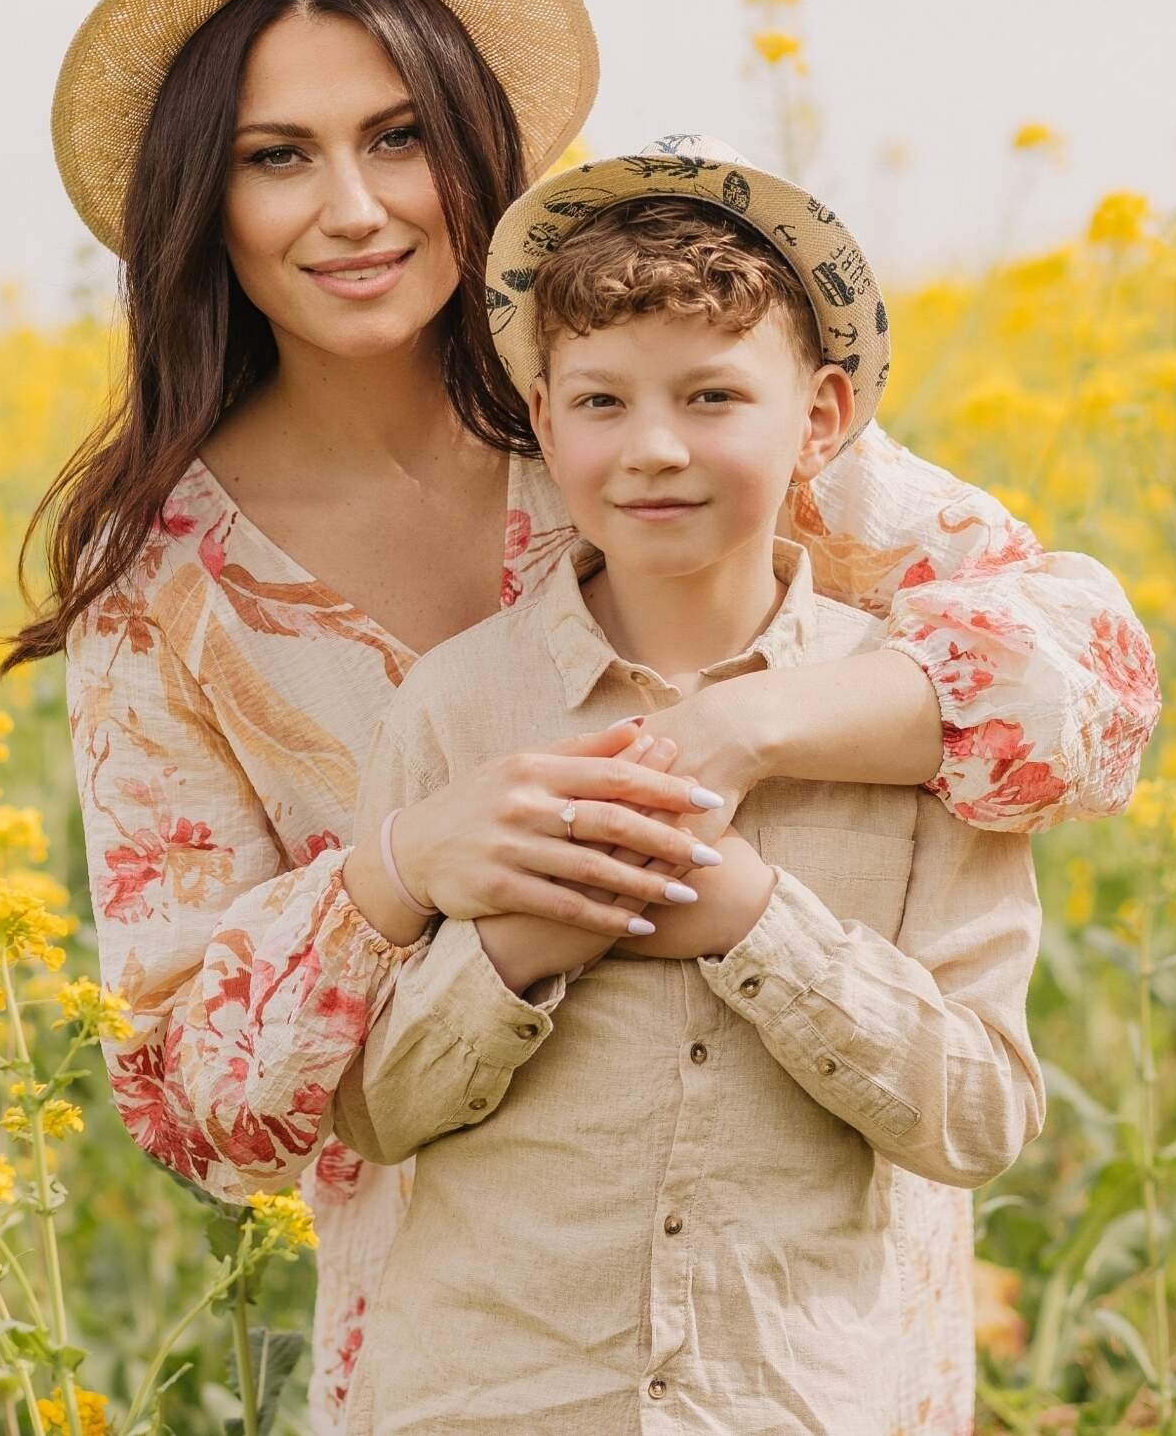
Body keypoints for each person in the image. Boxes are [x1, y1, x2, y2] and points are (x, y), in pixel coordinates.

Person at [9, 0, 1160, 1428]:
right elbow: (185, 1096)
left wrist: (756, 737)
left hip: (801, 1361)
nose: (354, 208)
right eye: (279, 157)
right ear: (205, 198)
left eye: (398, 136)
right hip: (471, 1367)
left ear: (478, 148)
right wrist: (410, 864)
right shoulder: (168, 594)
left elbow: (1089, 681)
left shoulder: (643, 415)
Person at [329, 138, 1044, 1433]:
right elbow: (370, 1110)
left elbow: (983, 1115)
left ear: (821, 418)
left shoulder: (912, 727)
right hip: (492, 1404)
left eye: (712, 398)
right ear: (545, 421)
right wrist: (520, 946)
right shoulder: (455, 704)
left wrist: (757, 924)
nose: (653, 449)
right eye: (601, 403)